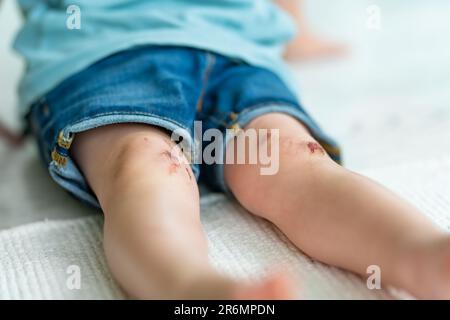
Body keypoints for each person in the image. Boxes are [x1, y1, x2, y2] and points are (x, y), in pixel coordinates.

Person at [2, 0, 450, 299]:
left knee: (295, 158)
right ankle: (194, 289)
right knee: (149, 166)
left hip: (237, 52)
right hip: (99, 55)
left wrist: (297, 30)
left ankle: (426, 256)